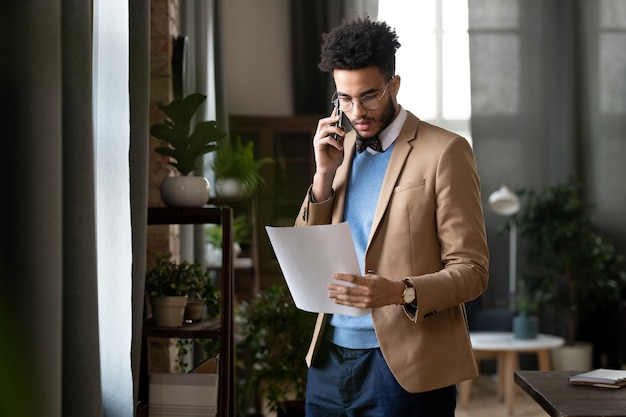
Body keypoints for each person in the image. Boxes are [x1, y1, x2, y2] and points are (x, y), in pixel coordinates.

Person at [294, 15, 489, 416]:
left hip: (405, 367)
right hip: (328, 360)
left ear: (393, 85)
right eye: (344, 99)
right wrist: (323, 177)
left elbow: (472, 270)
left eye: (369, 96)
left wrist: (401, 292)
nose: (356, 112)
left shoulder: (446, 151)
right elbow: (306, 247)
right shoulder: (339, 148)